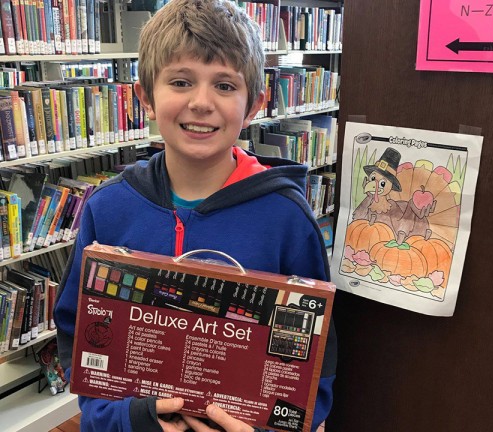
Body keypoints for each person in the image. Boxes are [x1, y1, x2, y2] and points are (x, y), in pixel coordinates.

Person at [54, 0, 337, 431]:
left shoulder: (287, 219)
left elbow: (315, 365)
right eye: (181, 82)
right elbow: (81, 342)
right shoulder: (107, 210)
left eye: (224, 85)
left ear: (254, 105)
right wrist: (126, 418)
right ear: (145, 97)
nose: (201, 102)